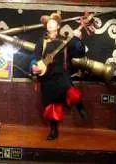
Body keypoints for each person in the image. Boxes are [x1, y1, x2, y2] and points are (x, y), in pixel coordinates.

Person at [31, 12, 87, 140]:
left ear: (58, 26)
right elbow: (35, 58)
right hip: (47, 77)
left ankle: (80, 106)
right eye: (48, 23)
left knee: (71, 92)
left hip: (62, 74)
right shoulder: (42, 42)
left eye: (53, 23)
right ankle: (54, 130)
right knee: (52, 105)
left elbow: (79, 52)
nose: (50, 24)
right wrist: (34, 66)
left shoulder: (65, 40)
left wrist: (78, 39)